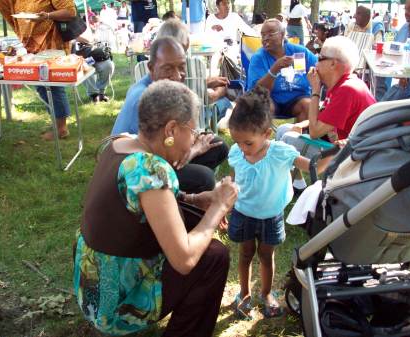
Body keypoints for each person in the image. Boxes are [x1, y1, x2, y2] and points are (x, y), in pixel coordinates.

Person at [74, 79, 238, 336]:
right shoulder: (151, 169)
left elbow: (141, 200)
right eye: (193, 131)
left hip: (90, 285)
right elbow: (184, 260)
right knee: (214, 257)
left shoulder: (118, 144)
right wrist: (218, 207)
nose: (193, 140)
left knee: (195, 228)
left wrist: (195, 199)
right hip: (113, 303)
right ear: (172, 129)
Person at [227, 86, 329, 319]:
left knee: (266, 255)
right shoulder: (235, 151)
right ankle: (243, 294)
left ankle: (266, 294)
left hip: (271, 216)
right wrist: (226, 204)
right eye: (237, 141)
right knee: (245, 254)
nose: (242, 148)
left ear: (267, 134)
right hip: (243, 213)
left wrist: (335, 154)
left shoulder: (281, 153)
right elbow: (234, 179)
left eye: (248, 143)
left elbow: (313, 167)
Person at [111, 37, 229, 194]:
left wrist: (194, 140)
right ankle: (180, 197)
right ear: (151, 67)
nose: (177, 75)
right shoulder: (145, 97)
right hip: (135, 168)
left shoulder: (154, 87)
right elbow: (156, 155)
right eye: (168, 68)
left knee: (217, 145)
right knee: (205, 178)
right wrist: (194, 150)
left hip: (151, 151)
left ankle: (182, 194)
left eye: (181, 67)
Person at [0, 0, 76, 141]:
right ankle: (57, 123)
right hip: (33, 48)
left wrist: (47, 15)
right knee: (43, 87)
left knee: (52, 86)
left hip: (53, 45)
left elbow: (70, 12)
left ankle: (61, 128)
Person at [276, 36, 375, 169]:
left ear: (333, 64)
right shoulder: (343, 83)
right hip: (344, 146)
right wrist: (302, 124)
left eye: (320, 58)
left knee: (287, 139)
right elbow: (323, 115)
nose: (316, 63)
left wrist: (316, 90)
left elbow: (315, 131)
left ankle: (280, 185)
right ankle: (297, 185)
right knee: (283, 129)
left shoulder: (346, 90)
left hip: (351, 156)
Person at [157, 19, 232, 121]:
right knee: (224, 103)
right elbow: (205, 99)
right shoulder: (192, 65)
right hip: (188, 119)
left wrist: (205, 83)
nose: (178, 75)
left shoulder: (153, 65)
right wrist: (218, 92)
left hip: (172, 117)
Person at [248, 19, 317, 122]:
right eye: (263, 35)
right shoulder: (259, 57)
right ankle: (262, 137)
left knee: (308, 105)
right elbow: (257, 91)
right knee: (261, 106)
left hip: (298, 99)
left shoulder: (299, 52)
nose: (265, 38)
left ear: (282, 34)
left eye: (270, 34)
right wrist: (274, 69)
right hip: (271, 99)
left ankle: (296, 137)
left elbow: (319, 68)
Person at [376, 0, 410, 101]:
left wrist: (407, 73)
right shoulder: (405, 27)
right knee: (379, 76)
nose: (406, 12)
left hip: (409, 80)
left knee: (386, 103)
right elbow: (394, 47)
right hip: (397, 73)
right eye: (405, 9)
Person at [74, 28, 114, 103]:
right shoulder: (66, 23)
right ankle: (94, 94)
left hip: (92, 54)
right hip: (78, 57)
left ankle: (101, 92)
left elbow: (93, 38)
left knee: (108, 65)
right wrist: (88, 40)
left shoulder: (84, 21)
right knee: (86, 67)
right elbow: (75, 37)